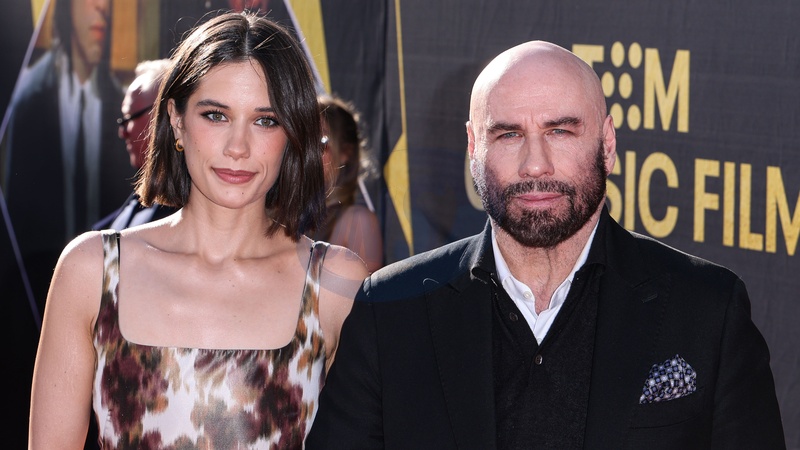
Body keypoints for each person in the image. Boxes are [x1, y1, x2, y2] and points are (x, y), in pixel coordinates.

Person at [306, 41, 786, 449]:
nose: (535, 164)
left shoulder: (708, 309)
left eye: (560, 130)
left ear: (607, 144)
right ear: (474, 147)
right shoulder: (390, 309)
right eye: (508, 134)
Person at [29, 11, 368, 449]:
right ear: (176, 121)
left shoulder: (334, 286)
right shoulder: (92, 271)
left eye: (265, 120)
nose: (238, 147)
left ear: (291, 132)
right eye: (216, 115)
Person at [1, 0, 132, 309]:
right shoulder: (29, 98)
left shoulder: (118, 104)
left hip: (106, 297)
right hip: (39, 295)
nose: (102, 7)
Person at [93, 59, 177, 231]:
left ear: (164, 114)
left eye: (129, 118)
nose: (122, 132)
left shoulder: (195, 206)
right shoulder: (133, 207)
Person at [314, 94, 383, 272]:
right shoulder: (275, 214)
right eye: (301, 139)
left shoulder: (357, 222)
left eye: (321, 142)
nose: (308, 151)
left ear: (346, 152)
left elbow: (367, 290)